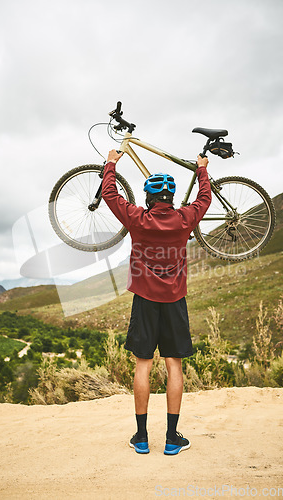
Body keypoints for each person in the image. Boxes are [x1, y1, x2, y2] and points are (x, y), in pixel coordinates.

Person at [102, 150, 211, 455]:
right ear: (172, 196)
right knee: (174, 365)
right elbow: (205, 198)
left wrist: (111, 163)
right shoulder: (185, 218)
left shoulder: (138, 218)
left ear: (149, 199)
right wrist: (202, 169)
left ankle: (141, 437)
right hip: (175, 301)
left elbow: (109, 194)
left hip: (145, 301)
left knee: (143, 366)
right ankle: (172, 438)